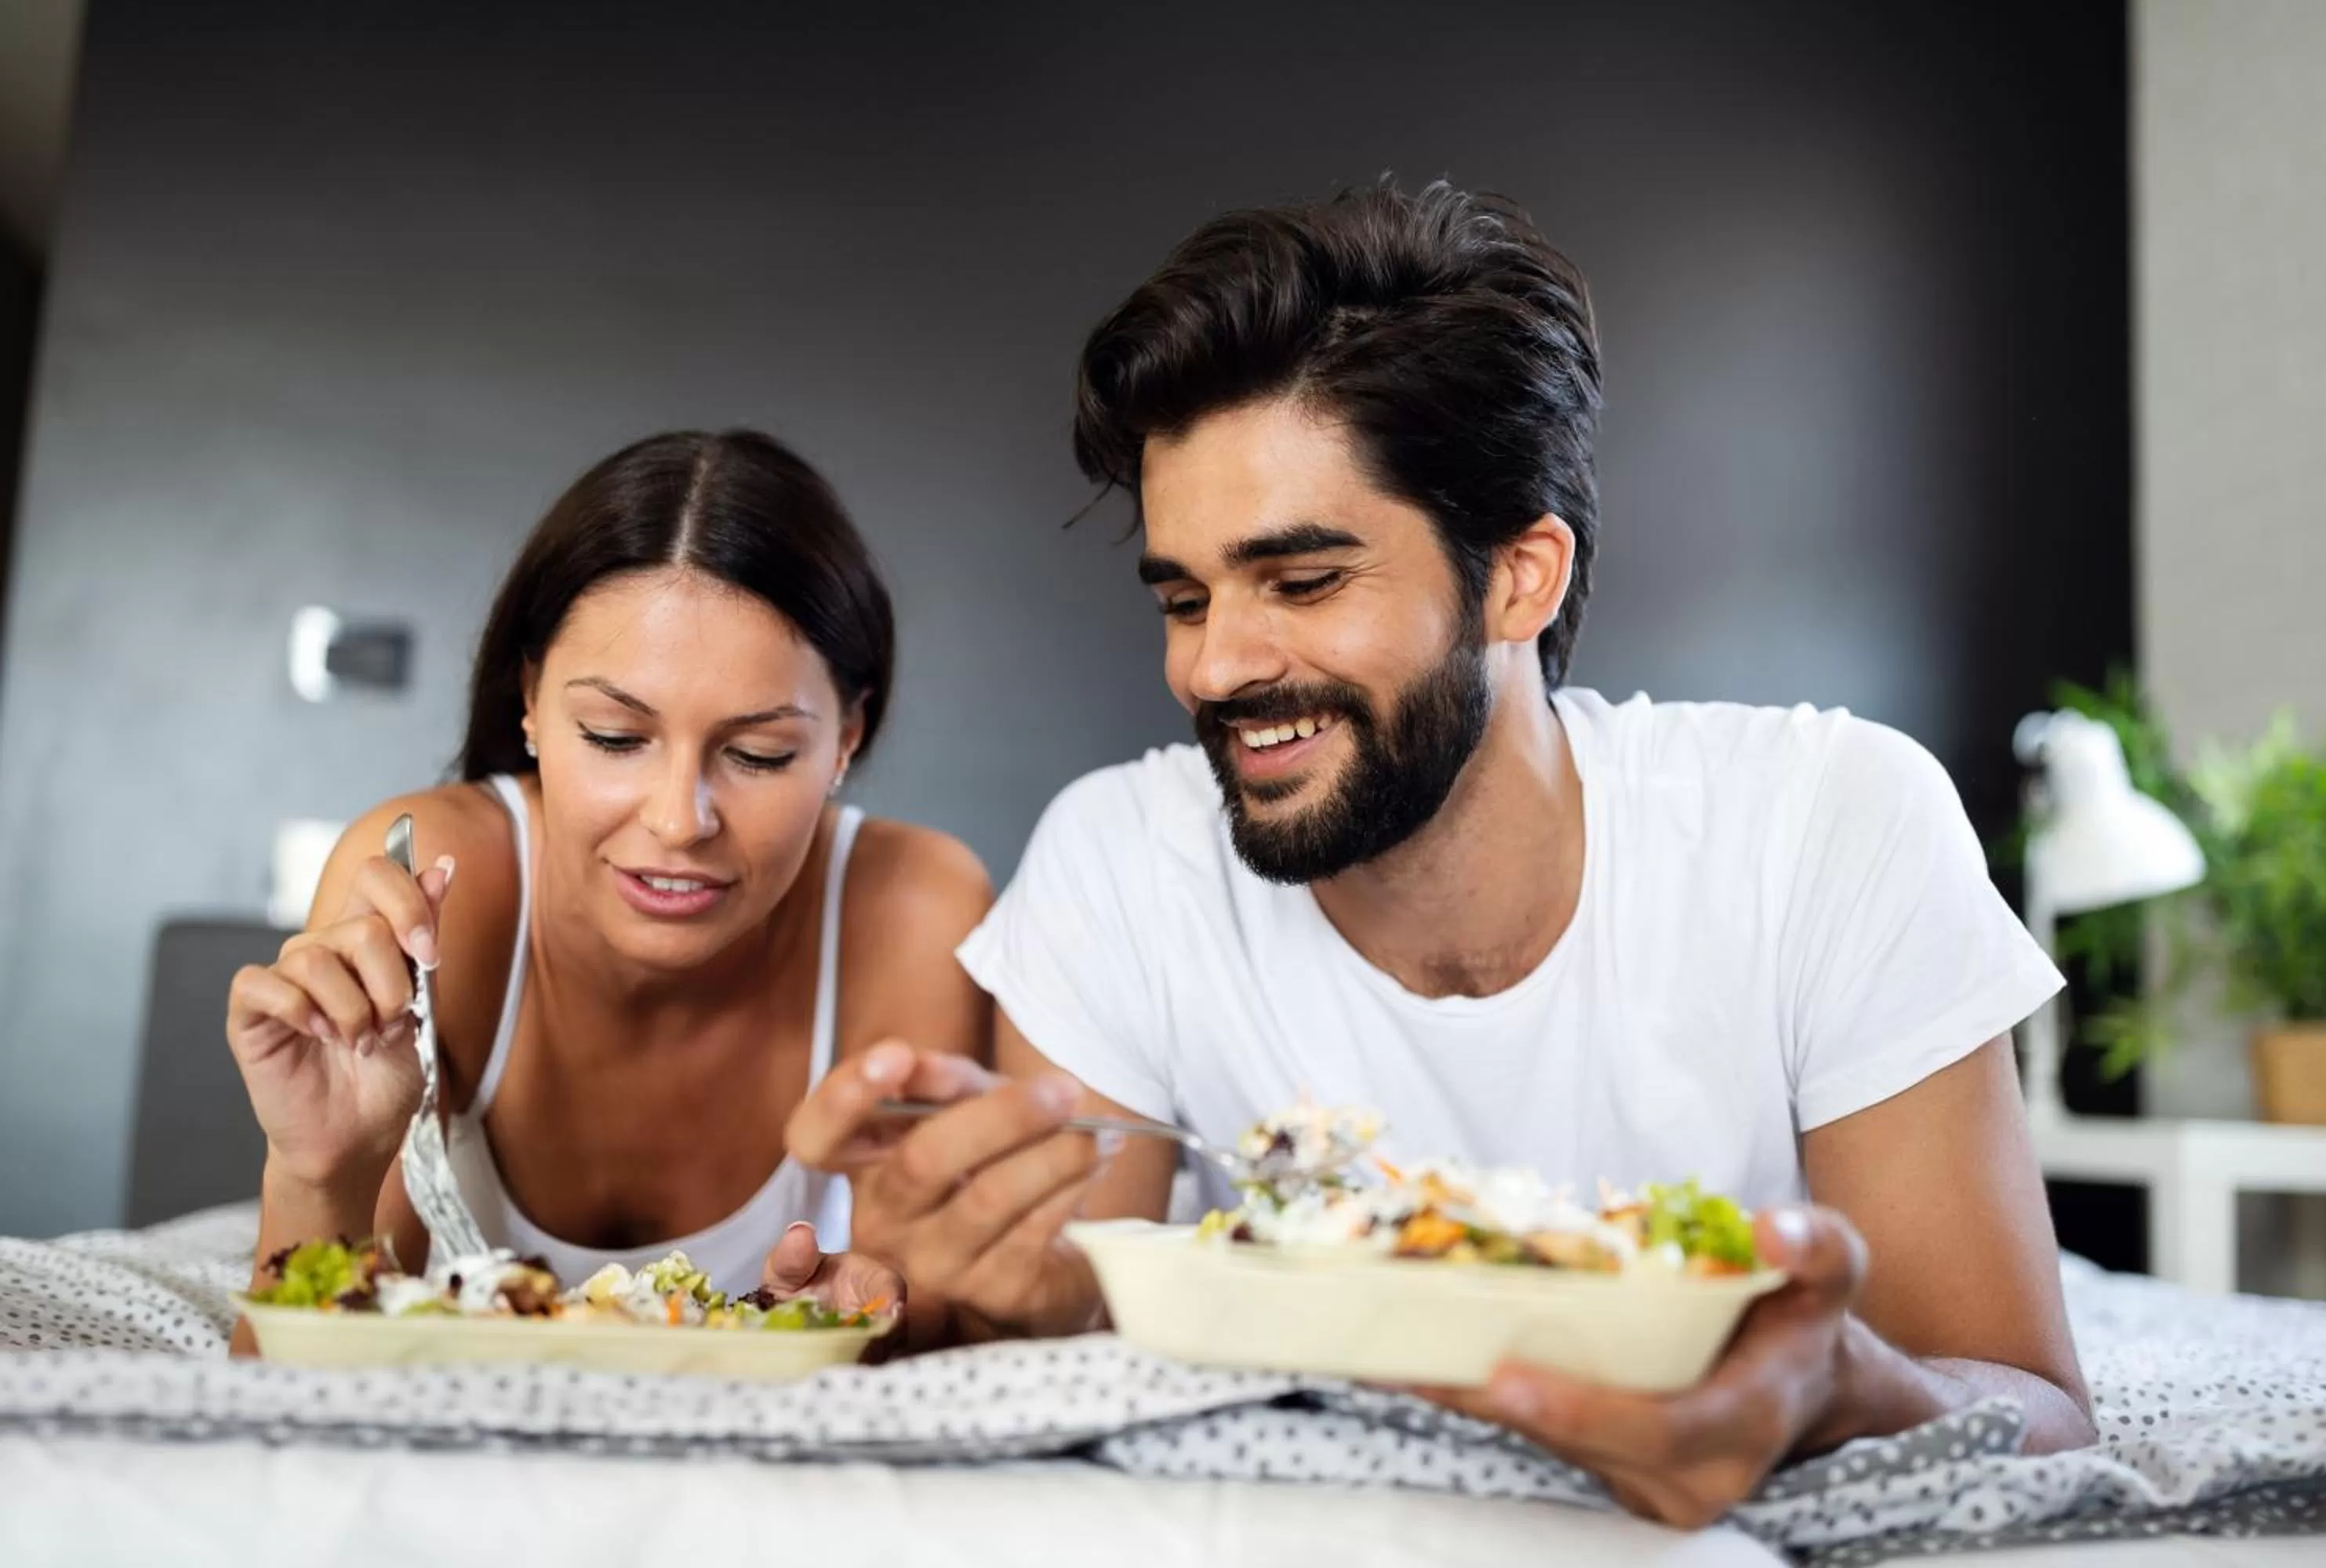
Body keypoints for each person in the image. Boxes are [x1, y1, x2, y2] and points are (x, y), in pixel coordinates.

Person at [788, 182, 2096, 1525]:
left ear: (1519, 577)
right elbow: (1064, 1328)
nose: (1216, 665)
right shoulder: (1120, 864)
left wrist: (1841, 1391)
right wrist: (933, 1297)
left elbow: (2036, 1411)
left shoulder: (1827, 824)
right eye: (1186, 597)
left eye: (1303, 583)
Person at [226, 429, 990, 1319]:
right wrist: (320, 1176)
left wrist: (892, 1324)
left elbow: (931, 1341)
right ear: (531, 701)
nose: (678, 819)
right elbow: (290, 1388)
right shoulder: (435, 883)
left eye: (758, 752)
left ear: (847, 738)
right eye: (616, 738)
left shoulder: (912, 906)